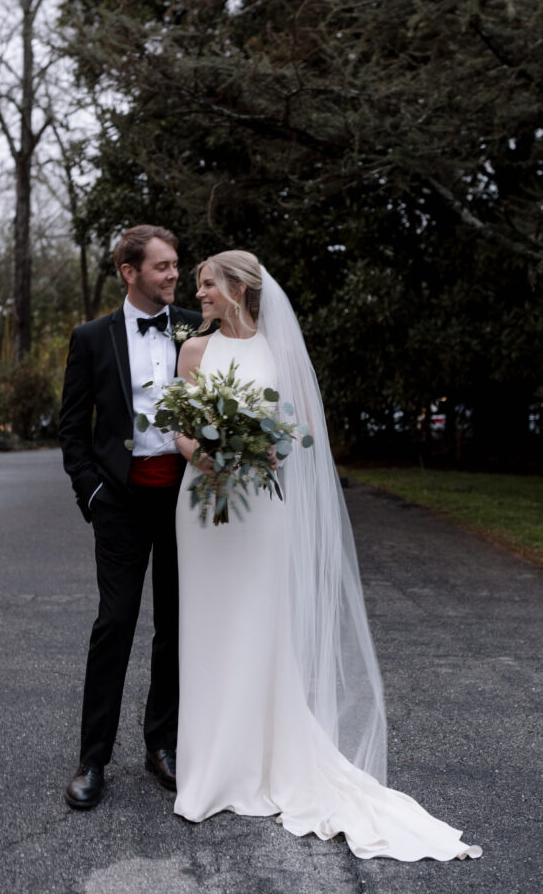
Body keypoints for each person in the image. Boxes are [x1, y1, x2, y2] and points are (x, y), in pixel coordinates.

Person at [173, 250, 482, 861]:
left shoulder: (279, 351)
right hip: (203, 505)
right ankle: (211, 769)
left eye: (207, 283)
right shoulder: (194, 352)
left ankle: (266, 760)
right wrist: (201, 453)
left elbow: (301, 430)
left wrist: (259, 447)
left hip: (261, 507)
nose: (199, 293)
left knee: (260, 626)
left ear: (237, 288)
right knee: (205, 629)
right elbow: (181, 426)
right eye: (198, 285)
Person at [58, 224, 202, 810]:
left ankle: (161, 746)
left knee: (175, 624)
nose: (173, 275)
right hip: (118, 502)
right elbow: (72, 428)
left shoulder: (197, 326)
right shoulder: (91, 337)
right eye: (162, 266)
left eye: (175, 266)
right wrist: (91, 494)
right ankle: (93, 758)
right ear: (130, 271)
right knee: (114, 624)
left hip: (183, 502)